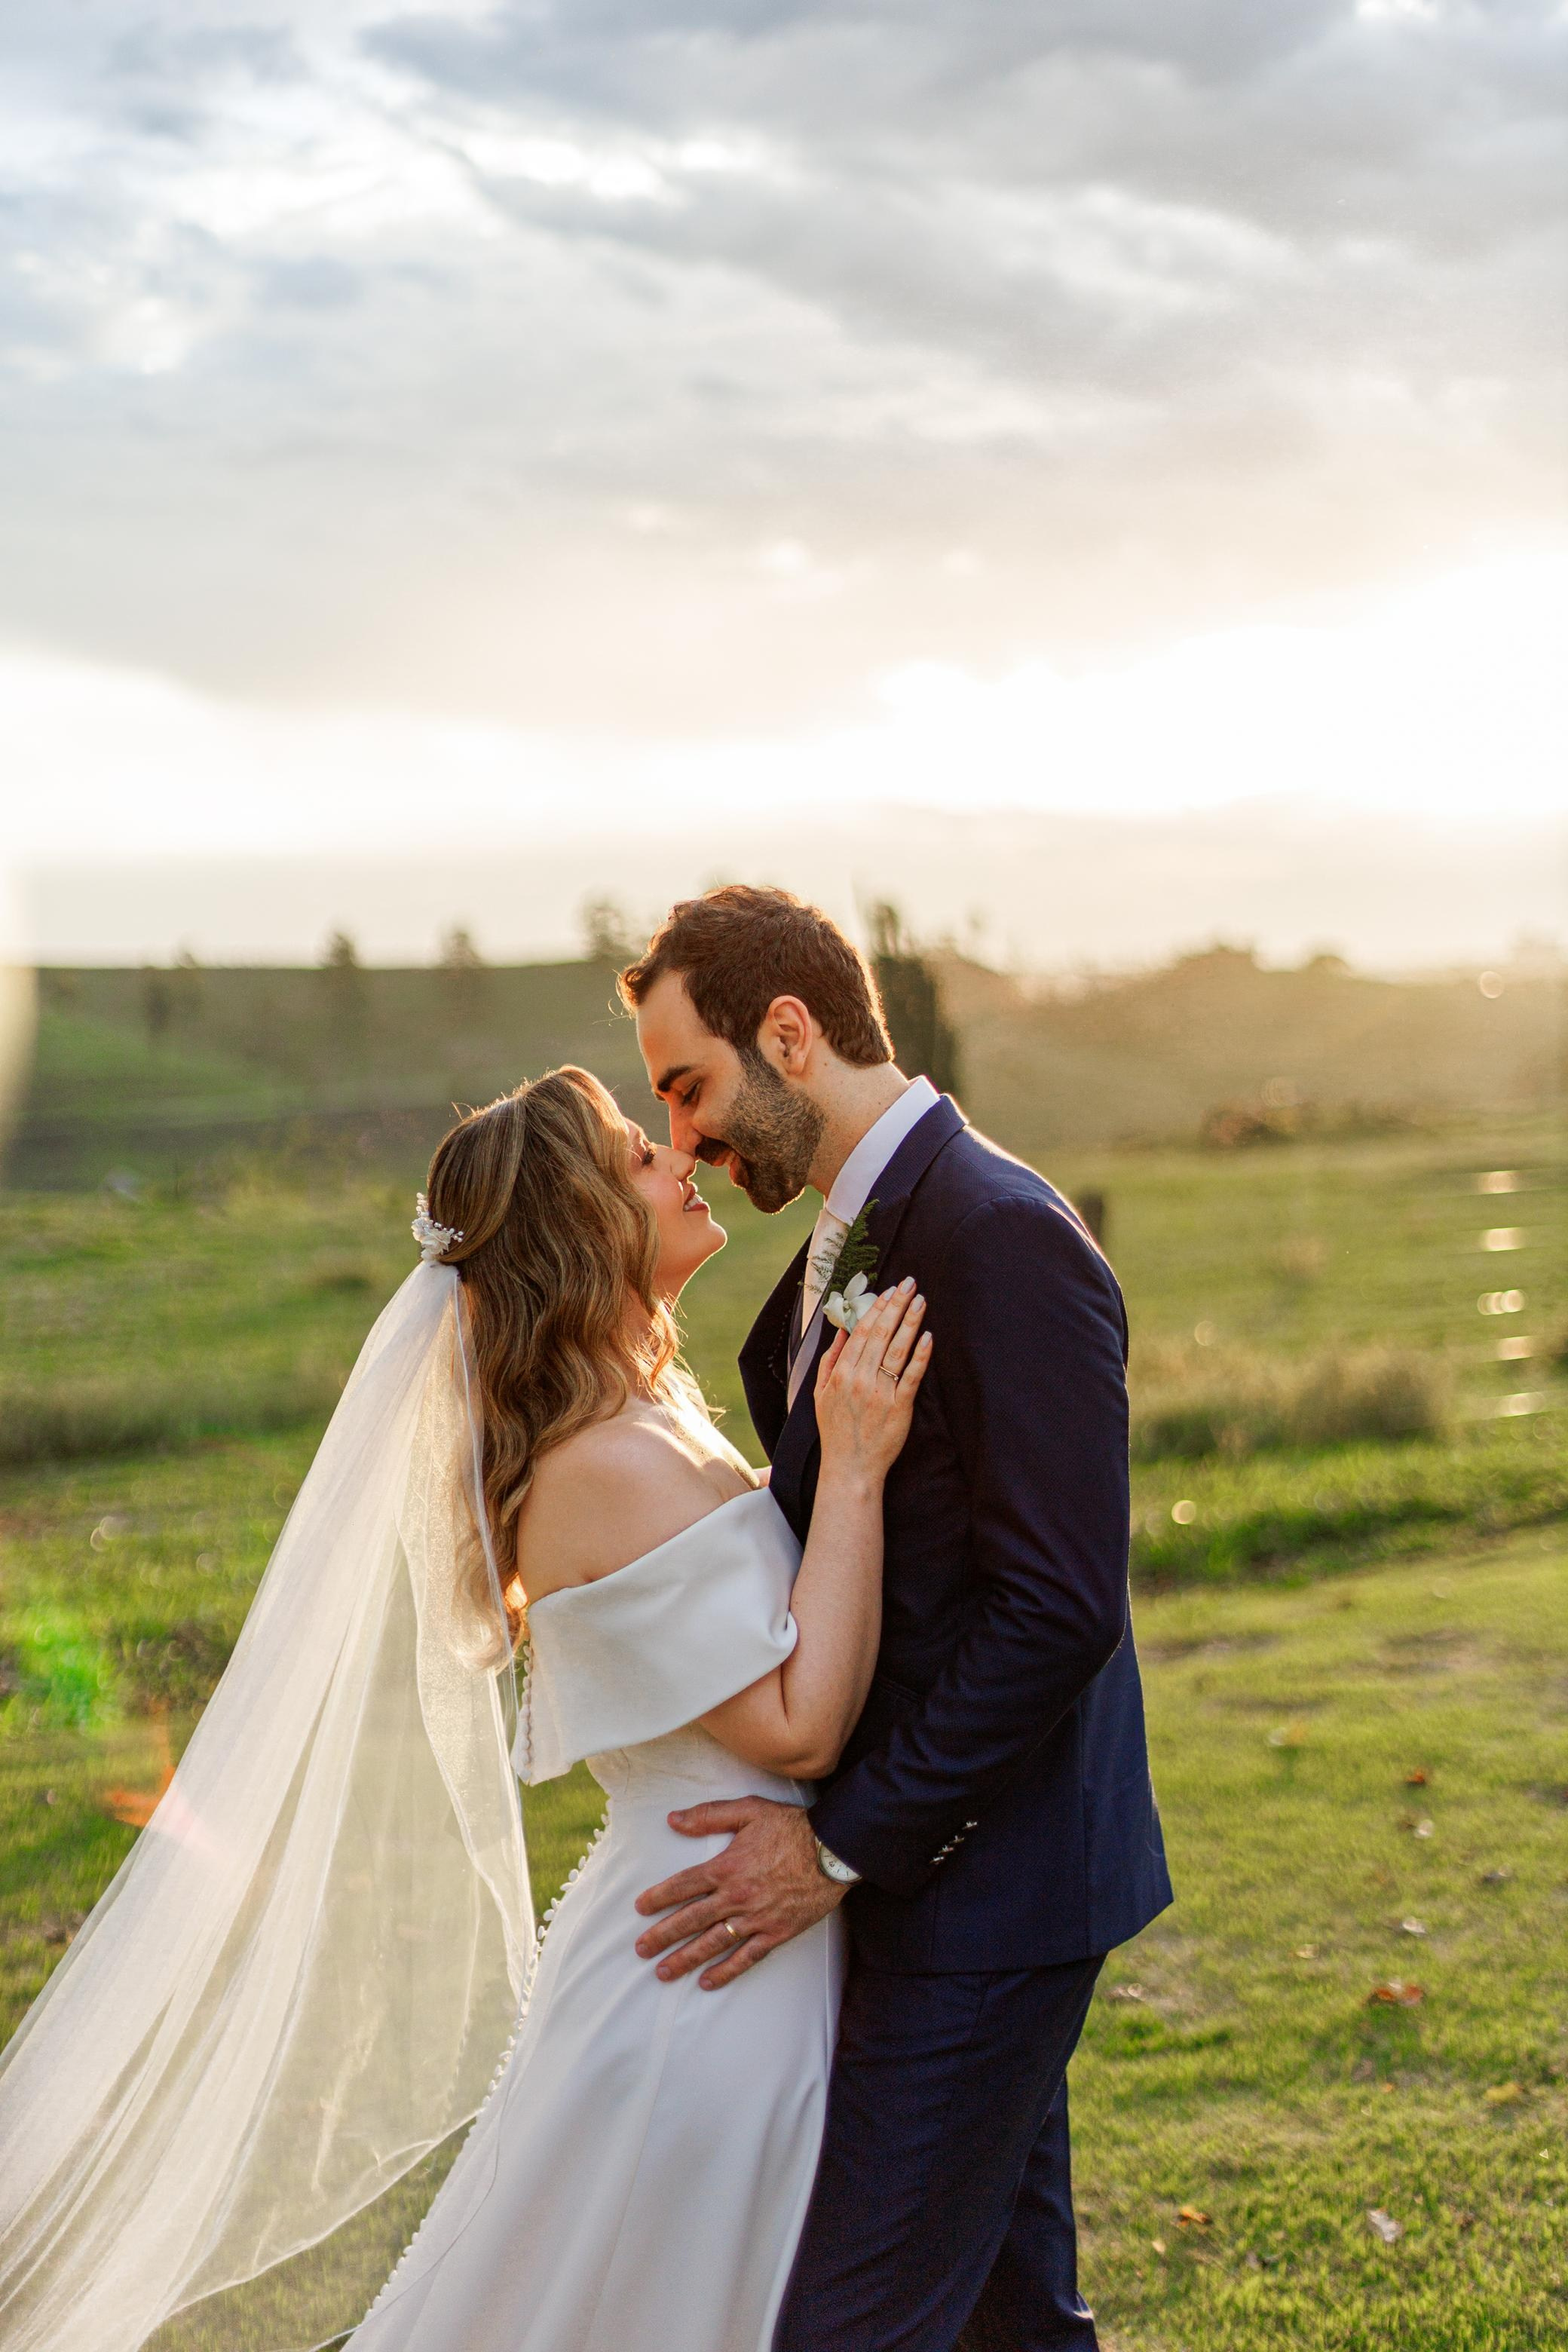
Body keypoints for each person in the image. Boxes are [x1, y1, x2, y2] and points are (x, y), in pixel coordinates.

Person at [0, 1065, 928, 2352]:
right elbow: (804, 1727)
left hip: (732, 1936)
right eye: (635, 1158)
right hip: (705, 1966)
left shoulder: (646, 1415)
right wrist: (861, 1470)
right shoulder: (600, 1468)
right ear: (586, 1226)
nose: (680, 1161)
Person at [621, 886, 1173, 2352]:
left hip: (988, 1889)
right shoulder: (830, 1252)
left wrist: (838, 1843)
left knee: (840, 2328)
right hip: (937, 1891)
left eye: (689, 1086)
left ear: (788, 1035)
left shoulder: (999, 1234)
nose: (684, 1137)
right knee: (1012, 2323)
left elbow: (1058, 1607)